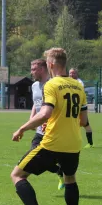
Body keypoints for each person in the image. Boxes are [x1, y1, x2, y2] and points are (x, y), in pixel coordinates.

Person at [11, 48, 87, 205]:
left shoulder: (51, 85)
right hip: (74, 143)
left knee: (17, 175)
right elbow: (84, 121)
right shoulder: (78, 86)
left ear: (51, 64)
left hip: (53, 142)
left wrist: (23, 128)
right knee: (70, 179)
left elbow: (45, 114)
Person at [30, 59, 65, 190]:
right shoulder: (34, 86)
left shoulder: (52, 85)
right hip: (40, 130)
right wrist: (31, 119)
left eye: (34, 69)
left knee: (41, 158)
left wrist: (49, 122)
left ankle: (60, 170)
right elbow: (36, 103)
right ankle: (59, 171)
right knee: (34, 156)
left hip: (52, 129)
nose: (31, 72)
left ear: (42, 69)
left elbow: (57, 107)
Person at [69, 68, 94, 148]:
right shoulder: (68, 82)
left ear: (77, 74)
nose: (71, 75)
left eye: (73, 73)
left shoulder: (79, 83)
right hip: (72, 106)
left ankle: (90, 143)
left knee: (85, 124)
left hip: (80, 107)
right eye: (70, 73)